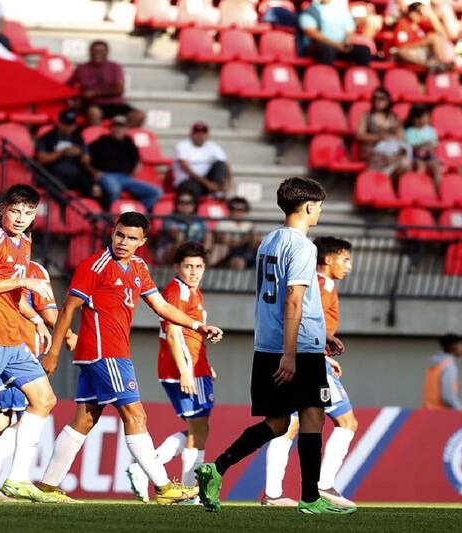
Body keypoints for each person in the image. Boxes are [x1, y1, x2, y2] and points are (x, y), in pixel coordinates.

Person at [36, 212, 224, 505]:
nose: (123, 242)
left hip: (109, 353)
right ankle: (164, 488)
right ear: (112, 233)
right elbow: (67, 309)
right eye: (120, 235)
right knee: (136, 416)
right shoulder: (94, 266)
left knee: (85, 420)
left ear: (142, 242)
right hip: (104, 352)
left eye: (132, 238)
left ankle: (47, 486)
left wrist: (197, 326)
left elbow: (161, 306)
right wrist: (54, 352)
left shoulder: (138, 267)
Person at [195, 177, 355, 515]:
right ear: (309, 206)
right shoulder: (303, 246)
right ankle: (312, 498)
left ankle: (218, 467)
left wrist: (321, 331)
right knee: (314, 417)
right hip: (295, 348)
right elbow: (293, 301)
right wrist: (292, 352)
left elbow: (287, 297)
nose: (320, 212)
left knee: (279, 422)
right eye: (320, 206)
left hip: (267, 344)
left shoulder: (269, 241)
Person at [0, 185, 61, 503]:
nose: (22, 219)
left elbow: (16, 298)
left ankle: (13, 476)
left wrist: (35, 321)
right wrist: (22, 281)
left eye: (29, 213)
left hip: (14, 337)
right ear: (3, 208)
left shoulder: (24, 243)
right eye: (16, 211)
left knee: (44, 400)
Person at [264, 237, 358, 509]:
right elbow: (300, 315)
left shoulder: (318, 283)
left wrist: (326, 355)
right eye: (345, 259)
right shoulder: (321, 283)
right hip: (309, 361)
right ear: (328, 259)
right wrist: (324, 343)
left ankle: (273, 493)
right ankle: (324, 484)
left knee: (289, 425)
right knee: (347, 422)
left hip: (310, 358)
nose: (348, 266)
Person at [0, 260, 76, 498]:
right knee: (26, 411)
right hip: (16, 350)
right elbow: (50, 313)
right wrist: (69, 334)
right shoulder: (33, 270)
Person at [126, 242, 221, 503]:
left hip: (196, 366)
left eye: (199, 266)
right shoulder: (176, 290)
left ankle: (150, 468)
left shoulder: (194, 291)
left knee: (198, 429)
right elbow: (172, 332)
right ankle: (187, 491)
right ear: (177, 267)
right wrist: (186, 371)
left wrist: (204, 364)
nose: (194, 272)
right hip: (184, 369)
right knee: (198, 429)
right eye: (188, 266)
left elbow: (190, 334)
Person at [89, 115, 161, 212]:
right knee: (114, 189)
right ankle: (109, 217)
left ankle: (136, 216)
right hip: (106, 175)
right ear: (111, 128)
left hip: (125, 177)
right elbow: (86, 160)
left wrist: (134, 171)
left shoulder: (130, 143)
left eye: (122, 126)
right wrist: (95, 174)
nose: (118, 129)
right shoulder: (101, 142)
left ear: (126, 129)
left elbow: (137, 160)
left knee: (155, 192)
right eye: (116, 126)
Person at [69, 40, 145, 128]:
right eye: (95, 51)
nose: (98, 54)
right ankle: (98, 139)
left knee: (139, 115)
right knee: (94, 112)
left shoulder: (115, 67)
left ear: (107, 52)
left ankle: (120, 137)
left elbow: (119, 90)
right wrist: (74, 100)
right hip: (93, 104)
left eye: (101, 51)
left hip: (116, 104)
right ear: (90, 52)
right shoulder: (81, 69)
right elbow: (69, 86)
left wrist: (95, 93)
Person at [36, 109, 101, 199]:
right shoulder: (48, 137)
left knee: (95, 190)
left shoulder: (78, 139)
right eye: (66, 124)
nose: (69, 127)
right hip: (55, 174)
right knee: (54, 190)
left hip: (75, 175)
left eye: (72, 125)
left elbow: (86, 161)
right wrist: (62, 152)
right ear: (59, 123)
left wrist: (81, 153)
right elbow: (42, 159)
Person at [297, 0, 372, 66]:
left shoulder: (341, 12)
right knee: (327, 50)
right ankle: (326, 78)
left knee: (363, 51)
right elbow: (312, 33)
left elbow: (349, 31)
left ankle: (357, 79)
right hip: (317, 46)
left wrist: (345, 43)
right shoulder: (310, 12)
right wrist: (336, 45)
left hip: (339, 46)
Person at [356, 88, 410, 178]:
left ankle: (390, 182)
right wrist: (378, 137)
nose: (377, 101)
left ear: (388, 101)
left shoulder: (394, 118)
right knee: (388, 159)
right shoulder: (366, 116)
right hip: (373, 149)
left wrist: (390, 138)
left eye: (381, 99)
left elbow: (401, 136)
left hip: (392, 149)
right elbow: (359, 135)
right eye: (375, 98)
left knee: (405, 162)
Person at [173, 122, 231, 200]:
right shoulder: (182, 146)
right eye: (197, 133)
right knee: (192, 189)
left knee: (220, 164)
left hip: (207, 182)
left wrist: (228, 183)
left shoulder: (213, 146)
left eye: (203, 133)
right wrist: (207, 183)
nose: (200, 136)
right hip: (187, 181)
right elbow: (185, 168)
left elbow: (225, 164)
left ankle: (218, 192)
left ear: (208, 135)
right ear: (191, 134)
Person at [155, 190, 211, 265]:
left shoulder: (199, 220)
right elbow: (176, 235)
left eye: (189, 202)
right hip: (169, 252)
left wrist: (204, 250)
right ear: (176, 204)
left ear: (194, 205)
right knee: (179, 242)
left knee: (215, 244)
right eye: (181, 202)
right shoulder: (170, 218)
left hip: (194, 251)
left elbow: (208, 235)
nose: (185, 205)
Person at [393, 2, 454, 70]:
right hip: (411, 53)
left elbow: (442, 34)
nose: (421, 15)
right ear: (411, 13)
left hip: (424, 53)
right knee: (401, 52)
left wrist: (432, 16)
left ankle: (441, 63)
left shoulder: (422, 23)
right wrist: (422, 42)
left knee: (436, 37)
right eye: (419, 12)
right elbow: (401, 46)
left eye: (422, 13)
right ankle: (434, 65)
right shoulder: (403, 23)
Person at [212, 197, 256, 271]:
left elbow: (253, 243)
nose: (237, 212)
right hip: (227, 253)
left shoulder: (249, 224)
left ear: (245, 211)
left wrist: (247, 239)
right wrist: (244, 239)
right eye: (233, 209)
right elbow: (224, 242)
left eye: (240, 209)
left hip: (244, 252)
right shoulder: (223, 223)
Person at [423, 333, 462, 410]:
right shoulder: (448, 366)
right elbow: (448, 398)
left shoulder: (436, 365)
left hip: (429, 413)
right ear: (453, 346)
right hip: (443, 415)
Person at [404, 104, 441, 184]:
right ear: (415, 119)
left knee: (436, 167)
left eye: (427, 116)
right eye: (424, 116)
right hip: (416, 157)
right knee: (420, 166)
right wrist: (423, 145)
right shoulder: (409, 131)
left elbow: (435, 145)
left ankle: (438, 192)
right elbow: (411, 147)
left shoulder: (431, 130)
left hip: (429, 156)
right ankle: (418, 188)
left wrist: (431, 148)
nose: (426, 119)